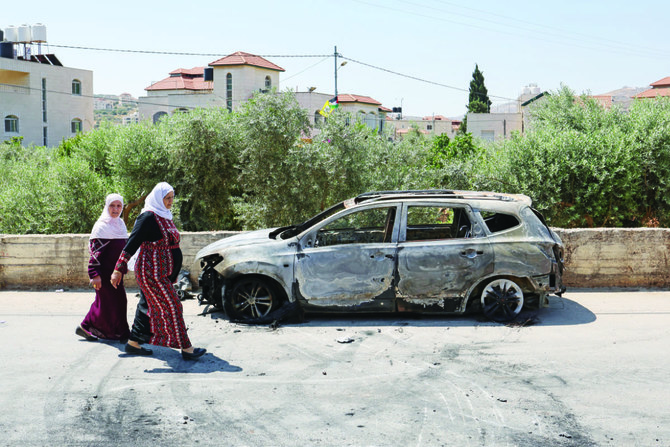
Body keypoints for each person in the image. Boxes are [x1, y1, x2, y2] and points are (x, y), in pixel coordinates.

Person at [110, 182, 206, 360]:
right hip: (151, 273)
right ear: (157, 198)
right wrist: (118, 269)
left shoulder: (165, 216)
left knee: (146, 306)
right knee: (173, 305)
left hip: (164, 273)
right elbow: (132, 243)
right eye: (167, 198)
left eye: (172, 198)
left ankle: (133, 343)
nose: (170, 201)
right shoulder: (148, 217)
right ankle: (187, 348)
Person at [77, 194, 131, 342]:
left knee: (116, 302)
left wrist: (122, 268)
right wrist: (94, 274)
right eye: (112, 206)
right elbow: (95, 254)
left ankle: (115, 332)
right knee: (107, 304)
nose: (115, 209)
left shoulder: (120, 225)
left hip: (116, 273)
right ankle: (91, 327)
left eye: (118, 206)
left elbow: (123, 249)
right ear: (107, 207)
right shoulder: (101, 227)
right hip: (103, 274)